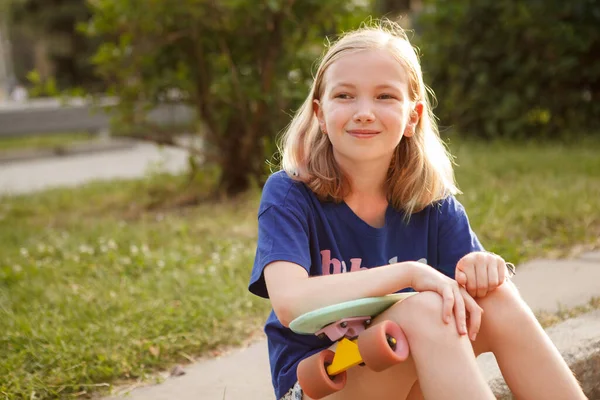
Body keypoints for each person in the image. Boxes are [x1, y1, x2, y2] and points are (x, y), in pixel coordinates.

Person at [248, 20, 586, 400]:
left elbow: (473, 296)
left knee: (498, 299)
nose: (363, 112)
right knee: (422, 310)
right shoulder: (290, 193)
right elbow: (291, 302)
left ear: (413, 116)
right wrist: (409, 273)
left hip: (408, 377)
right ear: (320, 114)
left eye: (385, 97)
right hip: (326, 380)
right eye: (344, 96)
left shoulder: (434, 206)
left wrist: (484, 269)